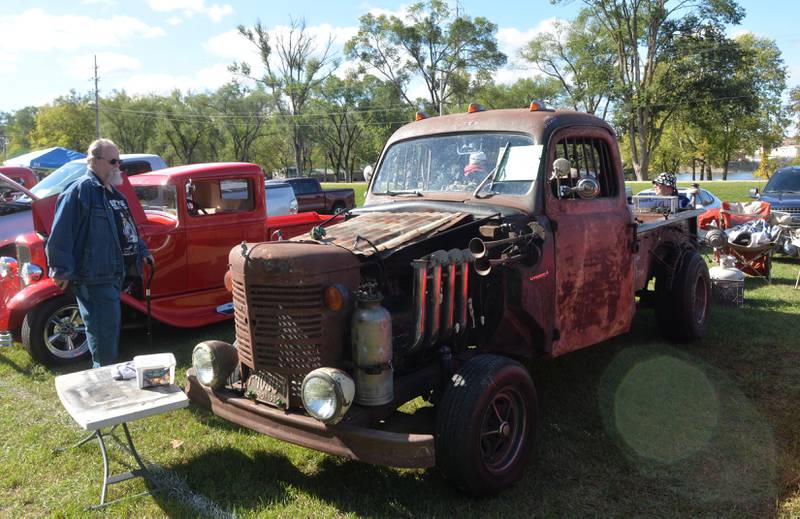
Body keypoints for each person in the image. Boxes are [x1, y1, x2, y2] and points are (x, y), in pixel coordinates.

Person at [46, 139, 154, 368]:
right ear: (94, 161)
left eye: (119, 161)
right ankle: (103, 385)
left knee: (108, 331)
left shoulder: (115, 194)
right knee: (103, 337)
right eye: (113, 161)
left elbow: (128, 229)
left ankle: (106, 378)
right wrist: (61, 270)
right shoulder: (80, 190)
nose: (118, 166)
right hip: (94, 277)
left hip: (115, 274)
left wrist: (142, 250)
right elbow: (61, 233)